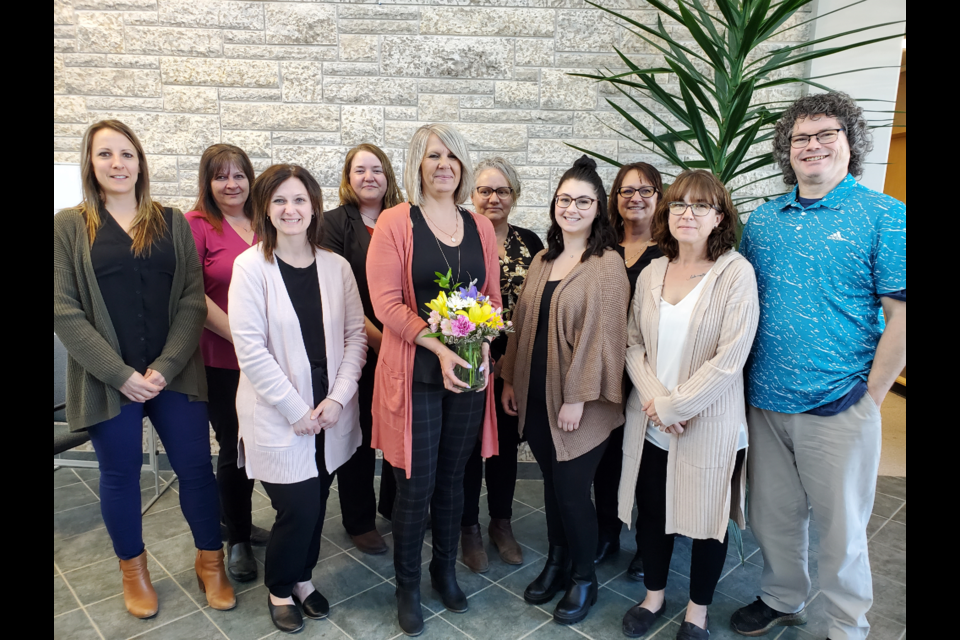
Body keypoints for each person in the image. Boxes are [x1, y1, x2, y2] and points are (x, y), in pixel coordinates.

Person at [730, 92, 906, 640]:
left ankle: (848, 625)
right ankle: (782, 596)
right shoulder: (763, 221)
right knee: (773, 517)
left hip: (841, 403)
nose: (813, 146)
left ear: (850, 142)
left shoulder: (884, 214)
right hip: (764, 400)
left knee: (842, 529)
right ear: (787, 150)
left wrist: (872, 396)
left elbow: (900, 315)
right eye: (801, 138)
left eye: (827, 133)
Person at [53, 120, 234, 619]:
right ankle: (133, 571)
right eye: (105, 154)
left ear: (140, 162)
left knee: (196, 471)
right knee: (120, 475)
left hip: (173, 374)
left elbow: (193, 302)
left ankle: (210, 562)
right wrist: (121, 374)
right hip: (109, 381)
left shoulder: (172, 222)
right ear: (90, 164)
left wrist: (165, 365)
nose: (117, 164)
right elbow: (63, 310)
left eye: (126, 154)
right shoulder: (68, 226)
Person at [367, 124, 502, 637]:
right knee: (416, 485)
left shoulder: (480, 227)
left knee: (454, 480)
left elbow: (489, 296)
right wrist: (439, 347)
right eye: (432, 156)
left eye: (451, 156)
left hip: (467, 374)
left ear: (462, 165)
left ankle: (443, 572)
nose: (443, 164)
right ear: (417, 166)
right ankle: (407, 587)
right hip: (419, 372)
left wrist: (484, 341)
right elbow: (385, 304)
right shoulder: (396, 223)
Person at [617, 170, 759, 639]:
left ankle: (697, 610)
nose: (687, 214)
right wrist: (658, 401)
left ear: (720, 216)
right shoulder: (654, 270)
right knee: (654, 514)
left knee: (706, 521)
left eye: (700, 206)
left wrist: (678, 406)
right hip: (653, 418)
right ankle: (654, 596)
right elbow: (632, 344)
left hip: (709, 422)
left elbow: (732, 355)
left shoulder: (735, 272)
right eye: (678, 204)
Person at [229, 164, 367, 634]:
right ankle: (281, 587)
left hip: (331, 412)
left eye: (300, 200)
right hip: (277, 415)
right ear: (266, 208)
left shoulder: (337, 267)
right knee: (299, 507)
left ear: (314, 207)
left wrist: (338, 399)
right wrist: (297, 411)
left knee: (318, 498)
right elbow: (250, 349)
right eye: (280, 201)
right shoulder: (250, 268)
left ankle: (303, 578)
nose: (291, 209)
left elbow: (354, 339)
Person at [500, 156, 629, 626]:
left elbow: (605, 338)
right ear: (554, 204)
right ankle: (556, 563)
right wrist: (511, 379)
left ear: (598, 209)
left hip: (579, 403)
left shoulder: (606, 265)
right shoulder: (542, 259)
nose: (571, 208)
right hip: (535, 394)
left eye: (583, 201)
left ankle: (583, 579)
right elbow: (521, 327)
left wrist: (576, 397)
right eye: (564, 199)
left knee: (574, 493)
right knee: (553, 490)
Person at [186, 143, 270, 584]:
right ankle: (236, 536)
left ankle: (240, 521)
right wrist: (244, 340)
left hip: (273, 359)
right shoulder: (197, 225)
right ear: (208, 182)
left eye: (239, 175)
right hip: (222, 358)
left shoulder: (267, 220)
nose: (231, 184)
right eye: (221, 176)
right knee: (235, 446)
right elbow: (193, 294)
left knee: (264, 440)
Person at [460, 156, 544, 573]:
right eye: (485, 190)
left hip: (513, 363)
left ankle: (501, 522)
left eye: (502, 191)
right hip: (465, 360)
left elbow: (535, 309)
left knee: (505, 447)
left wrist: (510, 367)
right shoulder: (457, 237)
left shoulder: (530, 243)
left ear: (514, 195)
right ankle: (467, 528)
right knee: (467, 448)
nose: (494, 198)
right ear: (471, 195)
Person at [321, 143, 404, 556]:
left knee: (397, 430)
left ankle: (394, 505)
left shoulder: (406, 219)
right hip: (357, 347)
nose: (369, 176)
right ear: (348, 178)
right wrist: (383, 339)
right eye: (359, 170)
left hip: (404, 345)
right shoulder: (332, 224)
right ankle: (359, 519)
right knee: (357, 436)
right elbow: (338, 295)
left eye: (376, 169)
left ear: (388, 175)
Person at [594, 162, 665, 574]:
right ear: (614, 198)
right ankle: (607, 532)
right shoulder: (602, 247)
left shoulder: (670, 250)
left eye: (645, 190)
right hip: (604, 368)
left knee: (646, 461)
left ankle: (647, 542)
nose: (635, 198)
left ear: (658, 196)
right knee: (606, 457)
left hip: (649, 371)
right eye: (626, 190)